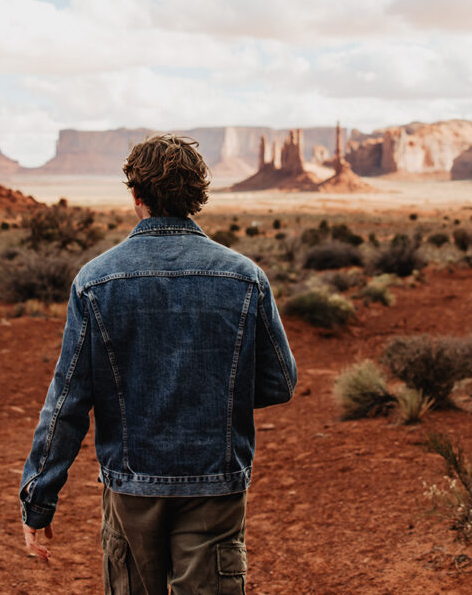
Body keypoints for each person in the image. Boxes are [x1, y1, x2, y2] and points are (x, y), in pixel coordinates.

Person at [18, 134, 298, 594]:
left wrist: (38, 498)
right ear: (197, 196)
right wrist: (215, 399)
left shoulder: (95, 281)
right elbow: (280, 382)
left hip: (132, 488)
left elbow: (66, 402)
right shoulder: (245, 278)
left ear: (136, 195)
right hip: (215, 483)